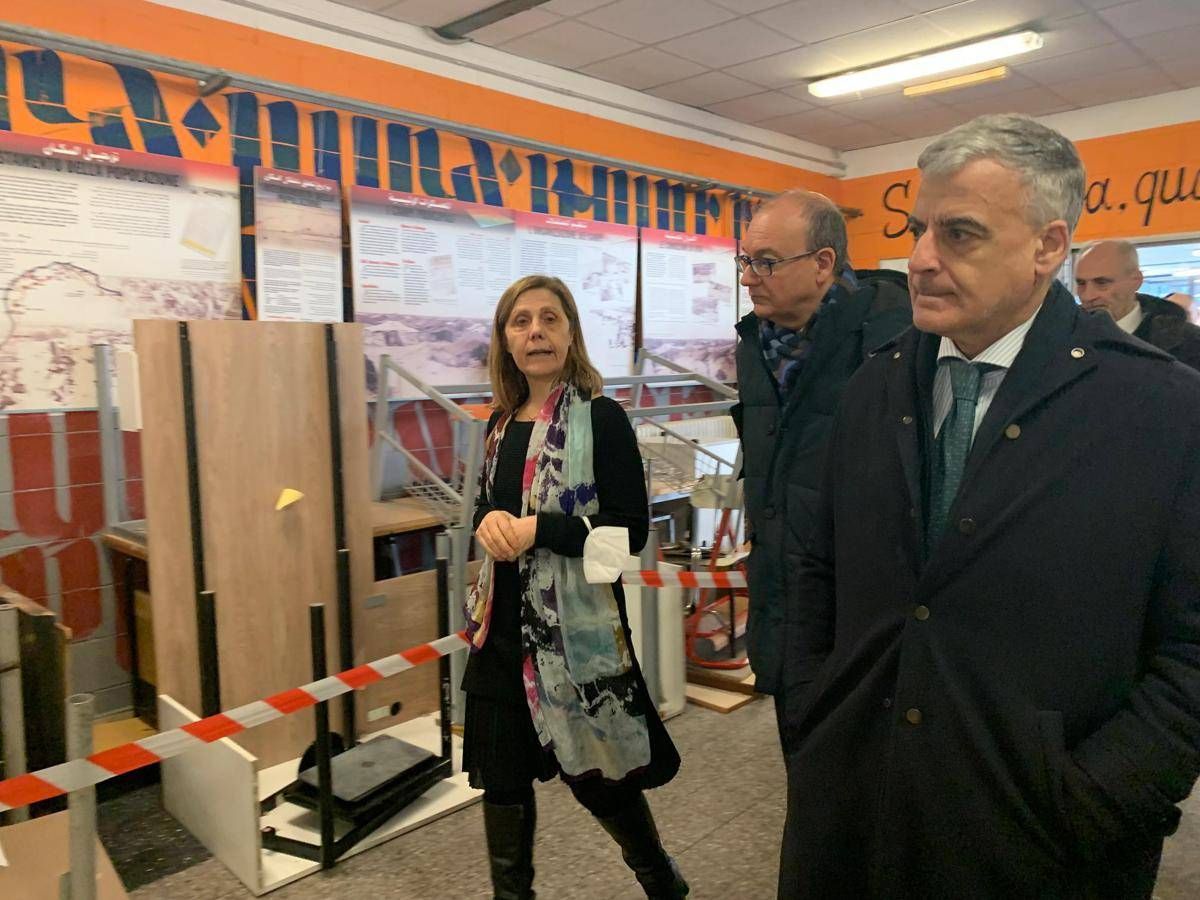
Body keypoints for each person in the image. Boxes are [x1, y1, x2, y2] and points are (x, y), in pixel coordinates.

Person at [779, 114, 1200, 899]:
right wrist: (809, 718)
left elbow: (1191, 650)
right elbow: (818, 567)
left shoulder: (1160, 409)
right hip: (853, 807)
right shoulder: (874, 385)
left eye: (960, 233)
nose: (920, 258)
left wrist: (1096, 800)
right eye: (918, 230)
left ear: (1048, 247)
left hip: (1039, 842)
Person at [463, 274, 686, 900]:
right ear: (506, 340)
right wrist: (488, 523)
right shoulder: (499, 425)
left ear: (570, 333)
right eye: (521, 321)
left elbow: (626, 536)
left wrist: (540, 528)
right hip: (500, 631)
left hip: (574, 637)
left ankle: (660, 879)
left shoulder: (601, 419)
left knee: (602, 783)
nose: (535, 331)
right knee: (502, 782)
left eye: (549, 318)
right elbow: (486, 505)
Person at [731, 189, 910, 748]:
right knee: (801, 757)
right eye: (745, 261)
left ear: (823, 263)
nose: (748, 278)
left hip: (866, 613)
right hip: (784, 602)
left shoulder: (895, 343)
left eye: (766, 262)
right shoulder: (755, 345)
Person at [1074, 239, 1200, 369]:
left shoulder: (1191, 344)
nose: (1088, 296)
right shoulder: (1066, 338)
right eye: (1081, 283)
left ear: (1135, 281)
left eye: (1102, 283)